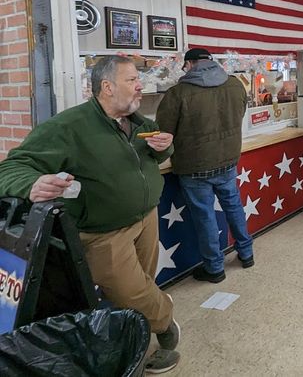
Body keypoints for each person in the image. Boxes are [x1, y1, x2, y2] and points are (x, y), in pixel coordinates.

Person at [0, 55, 180, 373]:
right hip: (103, 232)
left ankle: (136, 329)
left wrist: (163, 146)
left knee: (142, 285)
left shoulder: (138, 120)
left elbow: (159, 150)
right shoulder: (68, 126)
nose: (140, 84)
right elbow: (12, 168)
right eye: (131, 80)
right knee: (132, 292)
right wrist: (31, 183)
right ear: (107, 87)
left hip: (147, 216)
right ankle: (166, 325)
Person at [156, 48, 253, 284]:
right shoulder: (235, 84)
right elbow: (240, 113)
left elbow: (163, 132)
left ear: (189, 65)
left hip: (194, 166)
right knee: (234, 206)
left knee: (205, 216)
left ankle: (215, 268)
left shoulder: (178, 93)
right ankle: (246, 253)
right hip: (228, 160)